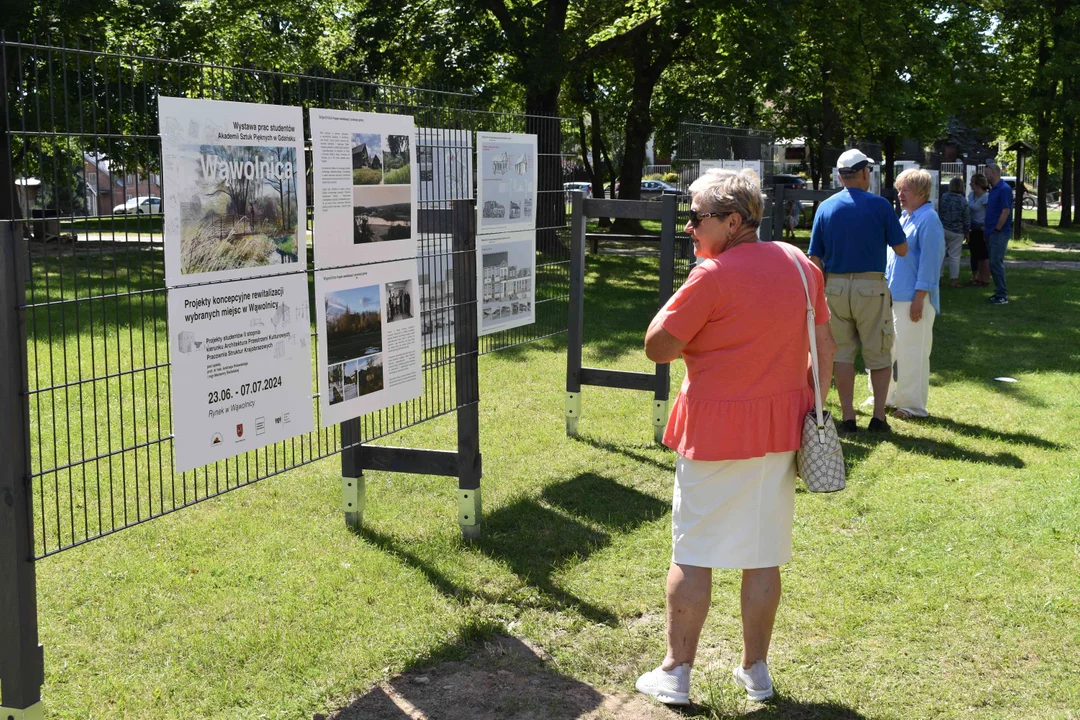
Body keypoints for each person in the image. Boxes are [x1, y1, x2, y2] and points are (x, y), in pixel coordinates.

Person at [637, 168, 836, 705]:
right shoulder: (799, 264)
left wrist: (690, 288)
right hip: (782, 428)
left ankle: (676, 672)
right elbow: (826, 345)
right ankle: (756, 671)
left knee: (693, 550)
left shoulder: (712, 276)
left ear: (733, 220)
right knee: (762, 553)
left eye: (696, 217)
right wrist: (814, 407)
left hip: (715, 430)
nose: (689, 227)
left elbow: (658, 347)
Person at [807, 149, 908, 433]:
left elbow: (814, 259)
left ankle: (848, 416)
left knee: (841, 354)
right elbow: (901, 249)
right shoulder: (880, 206)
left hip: (834, 288)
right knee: (879, 353)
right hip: (871, 286)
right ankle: (878, 417)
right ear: (865, 174)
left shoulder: (825, 207)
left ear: (840, 176)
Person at [884, 169, 946, 419]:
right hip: (894, 296)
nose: (900, 195)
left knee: (912, 354)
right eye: (899, 189)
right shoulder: (905, 217)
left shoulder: (929, 219)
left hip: (913, 298)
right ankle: (885, 396)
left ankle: (911, 406)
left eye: (905, 190)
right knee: (886, 350)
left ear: (921, 192)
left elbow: (931, 262)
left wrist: (919, 298)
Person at [983, 162, 1013, 305]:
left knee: (996, 263)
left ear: (994, 173)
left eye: (987, 173)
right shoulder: (994, 189)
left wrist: (997, 229)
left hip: (999, 233)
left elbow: (1005, 211)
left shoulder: (1004, 189)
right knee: (993, 264)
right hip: (990, 232)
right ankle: (998, 293)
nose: (985, 176)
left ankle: (1002, 296)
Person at [938, 177, 970, 287]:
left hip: (943, 228)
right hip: (957, 231)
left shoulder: (944, 197)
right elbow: (966, 217)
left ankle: (938, 279)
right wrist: (967, 231)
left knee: (941, 255)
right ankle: (954, 280)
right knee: (955, 257)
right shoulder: (963, 200)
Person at [967, 173, 991, 286]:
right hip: (973, 227)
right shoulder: (971, 196)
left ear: (978, 184)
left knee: (983, 255)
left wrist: (986, 227)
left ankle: (985, 279)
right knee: (975, 253)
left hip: (981, 228)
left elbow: (990, 213)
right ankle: (977, 278)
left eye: (972, 182)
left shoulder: (986, 197)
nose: (970, 184)